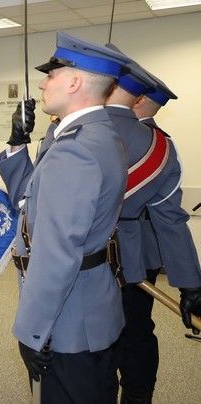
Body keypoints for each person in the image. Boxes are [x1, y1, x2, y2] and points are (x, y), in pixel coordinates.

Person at [0, 31, 132, 403]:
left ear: (73, 81)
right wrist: (18, 142)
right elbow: (31, 201)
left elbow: (55, 252)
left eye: (51, 75)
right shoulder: (96, 134)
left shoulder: (76, 150)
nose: (42, 83)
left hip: (69, 321)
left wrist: (33, 331)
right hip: (90, 307)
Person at [104, 46, 201, 403]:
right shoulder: (161, 144)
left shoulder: (109, 137)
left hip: (109, 258)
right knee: (137, 332)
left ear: (139, 99)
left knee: (111, 336)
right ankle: (137, 396)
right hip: (141, 259)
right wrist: (190, 283)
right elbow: (172, 221)